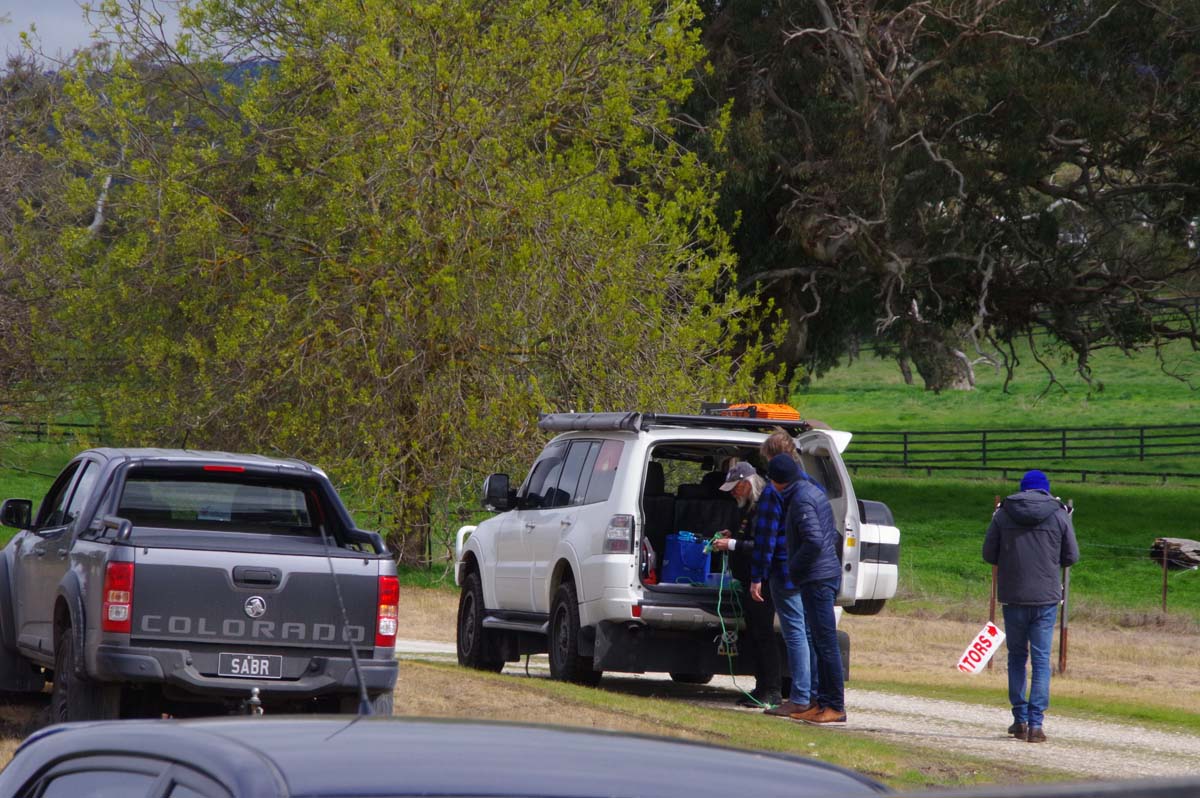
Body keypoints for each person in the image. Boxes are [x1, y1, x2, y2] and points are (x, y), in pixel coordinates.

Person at [983, 469, 1079, 743]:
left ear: (1022, 489)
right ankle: (1036, 724)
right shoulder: (1059, 514)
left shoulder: (1003, 514)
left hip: (1013, 596)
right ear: (1045, 490)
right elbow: (1071, 556)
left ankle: (1019, 719)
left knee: (1016, 657)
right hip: (1045, 598)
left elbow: (988, 554)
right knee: (1040, 660)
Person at [771, 453, 846, 725]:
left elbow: (813, 541)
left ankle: (834, 706)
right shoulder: (811, 491)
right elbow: (828, 535)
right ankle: (821, 702)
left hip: (817, 577)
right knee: (818, 640)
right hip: (822, 574)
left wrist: (794, 566)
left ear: (777, 481)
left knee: (826, 644)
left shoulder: (801, 499)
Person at [710, 461, 782, 708]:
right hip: (749, 580)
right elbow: (748, 538)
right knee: (754, 634)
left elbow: (762, 547)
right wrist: (733, 537)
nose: (733, 492)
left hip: (762, 582)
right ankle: (762, 687)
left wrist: (731, 545)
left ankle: (772, 690)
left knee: (764, 635)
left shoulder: (763, 507)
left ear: (747, 483)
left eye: (736, 487)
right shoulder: (747, 507)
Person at [750, 453, 815, 719]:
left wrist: (757, 576)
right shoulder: (813, 488)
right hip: (809, 572)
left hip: (785, 571)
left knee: (795, 635)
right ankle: (813, 694)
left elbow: (765, 539)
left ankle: (800, 697)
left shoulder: (773, 493)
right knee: (809, 634)